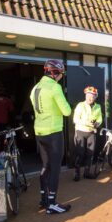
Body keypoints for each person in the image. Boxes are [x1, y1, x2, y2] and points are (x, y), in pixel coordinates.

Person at [30, 59, 72, 214]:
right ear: (54, 73)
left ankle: (43, 200)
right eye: (60, 74)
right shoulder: (55, 87)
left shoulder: (35, 88)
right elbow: (66, 111)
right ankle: (52, 204)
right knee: (54, 169)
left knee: (45, 166)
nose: (61, 76)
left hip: (39, 133)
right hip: (53, 133)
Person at [72, 86, 103, 181]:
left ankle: (86, 172)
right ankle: (77, 173)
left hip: (91, 133)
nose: (90, 98)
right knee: (80, 154)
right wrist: (87, 123)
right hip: (81, 131)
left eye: (92, 96)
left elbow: (100, 118)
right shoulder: (80, 105)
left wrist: (98, 123)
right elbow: (75, 119)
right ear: (85, 96)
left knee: (90, 154)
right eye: (88, 96)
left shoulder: (98, 106)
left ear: (95, 97)